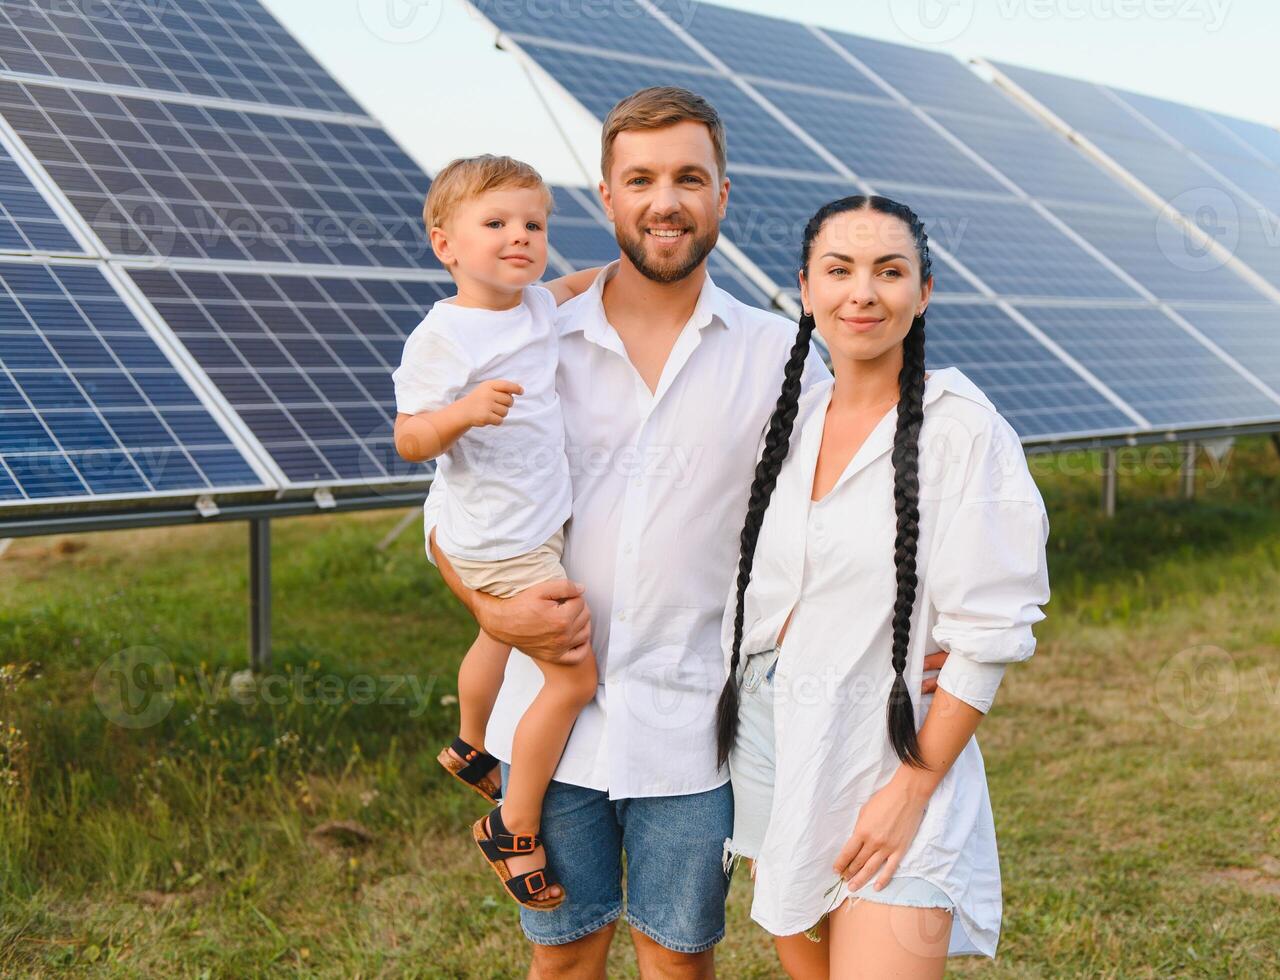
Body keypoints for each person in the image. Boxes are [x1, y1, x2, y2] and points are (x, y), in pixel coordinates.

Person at [421, 88, 957, 979]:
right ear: (606, 196)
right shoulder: (532, 339)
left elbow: (839, 513)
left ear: (721, 194)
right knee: (564, 959)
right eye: (640, 178)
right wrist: (489, 609)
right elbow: (451, 510)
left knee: (678, 962)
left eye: (687, 178)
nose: (663, 200)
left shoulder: (774, 357)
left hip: (693, 728)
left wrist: (920, 629)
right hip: (549, 726)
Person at [717, 195, 1052, 978]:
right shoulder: (788, 425)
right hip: (769, 738)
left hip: (888, 745)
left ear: (923, 292)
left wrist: (909, 790)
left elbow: (990, 630)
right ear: (805, 289)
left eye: (888, 271)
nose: (861, 293)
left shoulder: (963, 430)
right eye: (838, 271)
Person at [391, 154, 600, 909]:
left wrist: (628, 268)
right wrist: (462, 412)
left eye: (534, 224)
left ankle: (470, 742)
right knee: (573, 677)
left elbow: (578, 287)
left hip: (528, 525)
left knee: (496, 638)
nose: (520, 236)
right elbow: (410, 438)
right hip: (502, 536)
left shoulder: (536, 307)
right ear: (446, 245)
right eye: (496, 223)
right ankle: (511, 827)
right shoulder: (444, 337)